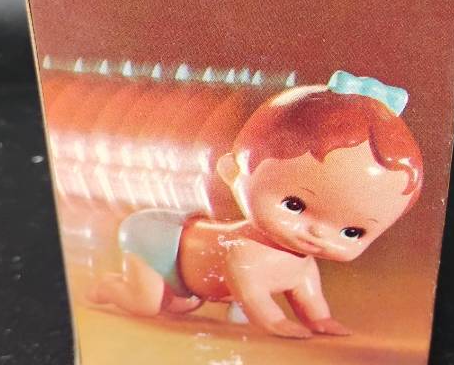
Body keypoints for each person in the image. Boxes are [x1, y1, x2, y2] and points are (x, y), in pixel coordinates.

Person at [88, 71, 423, 338]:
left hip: (191, 276)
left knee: (179, 306)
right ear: (233, 172)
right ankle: (110, 288)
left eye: (352, 232)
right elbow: (253, 297)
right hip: (163, 246)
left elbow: (309, 297)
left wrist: (321, 321)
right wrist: (276, 322)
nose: (318, 233)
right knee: (146, 304)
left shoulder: (303, 266)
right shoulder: (244, 253)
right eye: (294, 205)